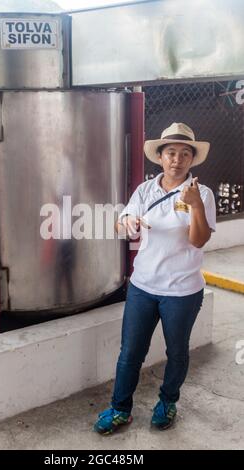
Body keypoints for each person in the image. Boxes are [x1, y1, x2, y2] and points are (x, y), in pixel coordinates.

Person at [94, 122, 216, 434]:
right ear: (160, 157)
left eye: (184, 153)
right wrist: (128, 222)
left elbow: (199, 240)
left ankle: (168, 402)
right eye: (171, 152)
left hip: (183, 292)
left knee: (176, 352)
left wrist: (196, 207)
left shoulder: (201, 193)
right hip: (143, 287)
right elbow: (119, 227)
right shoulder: (144, 190)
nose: (177, 159)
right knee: (130, 352)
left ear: (192, 159)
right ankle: (120, 408)